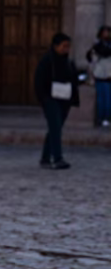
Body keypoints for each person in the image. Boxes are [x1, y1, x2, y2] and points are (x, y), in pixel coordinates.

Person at [34, 32, 79, 170]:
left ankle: (45, 158)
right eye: (64, 46)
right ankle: (57, 158)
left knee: (55, 128)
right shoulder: (47, 61)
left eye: (68, 46)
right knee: (55, 128)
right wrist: (43, 98)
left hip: (64, 99)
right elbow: (39, 81)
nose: (66, 49)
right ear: (55, 46)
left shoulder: (67, 62)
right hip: (50, 98)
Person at [87, 25, 111, 128]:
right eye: (104, 32)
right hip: (99, 73)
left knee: (107, 98)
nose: (106, 34)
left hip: (108, 74)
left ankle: (107, 118)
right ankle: (100, 118)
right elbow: (90, 56)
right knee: (100, 99)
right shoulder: (97, 44)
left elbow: (106, 53)